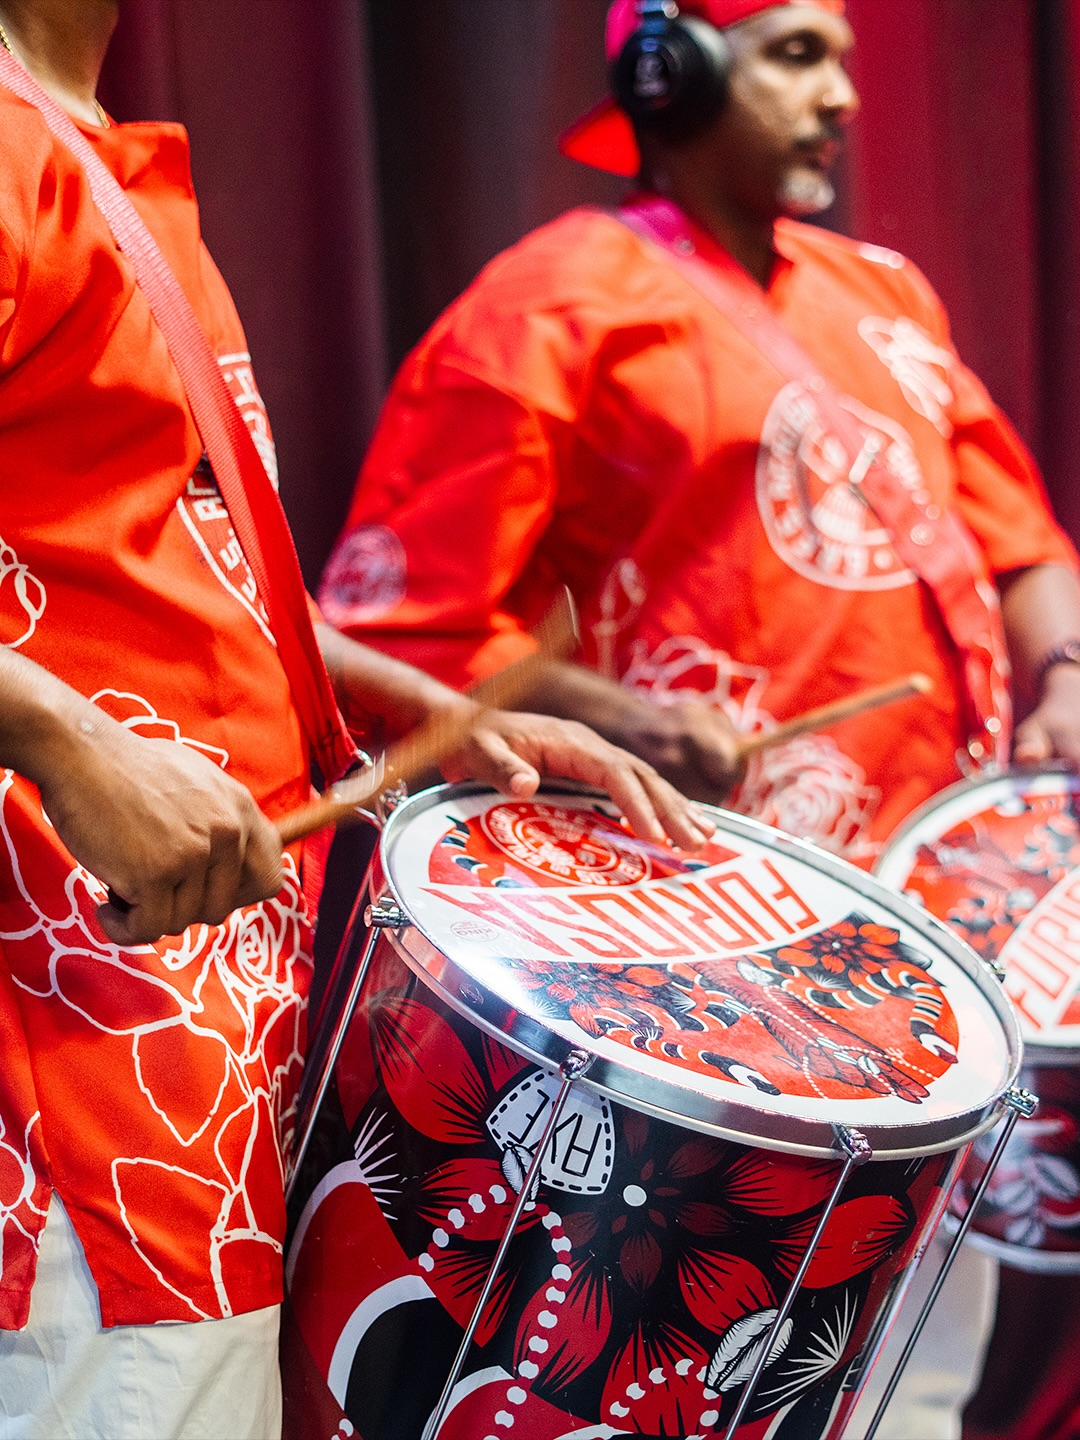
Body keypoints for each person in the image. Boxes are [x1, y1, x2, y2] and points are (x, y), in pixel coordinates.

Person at [318, 1, 1080, 1435]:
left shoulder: (887, 294)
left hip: (931, 963)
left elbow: (1022, 537)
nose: (844, 95)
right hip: (715, 982)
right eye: (799, 54)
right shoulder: (550, 304)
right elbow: (389, 634)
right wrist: (618, 715)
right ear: (669, 72)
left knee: (926, 1379)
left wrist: (1068, 681)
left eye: (850, 58)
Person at [0, 4, 713, 1438]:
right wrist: (72, 745)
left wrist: (428, 703)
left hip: (203, 1038)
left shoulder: (92, 153)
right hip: (74, 1065)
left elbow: (168, 559)